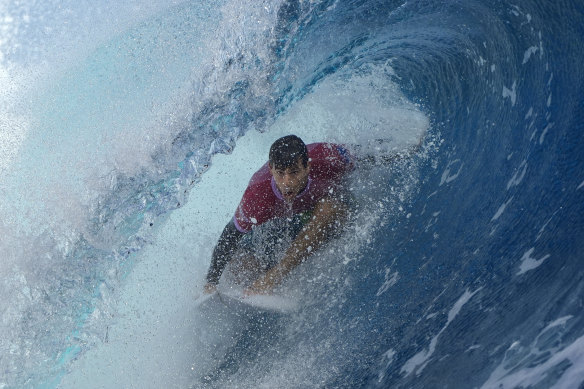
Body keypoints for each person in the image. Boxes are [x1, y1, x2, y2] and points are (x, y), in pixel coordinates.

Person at [203, 135, 355, 295]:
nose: (287, 181)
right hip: (286, 222)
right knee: (240, 270)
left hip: (330, 211)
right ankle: (266, 276)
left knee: (329, 208)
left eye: (294, 172)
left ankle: (275, 276)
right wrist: (211, 281)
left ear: (307, 166)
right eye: (280, 173)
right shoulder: (258, 195)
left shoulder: (328, 158)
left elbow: (369, 155)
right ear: (271, 169)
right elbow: (231, 234)